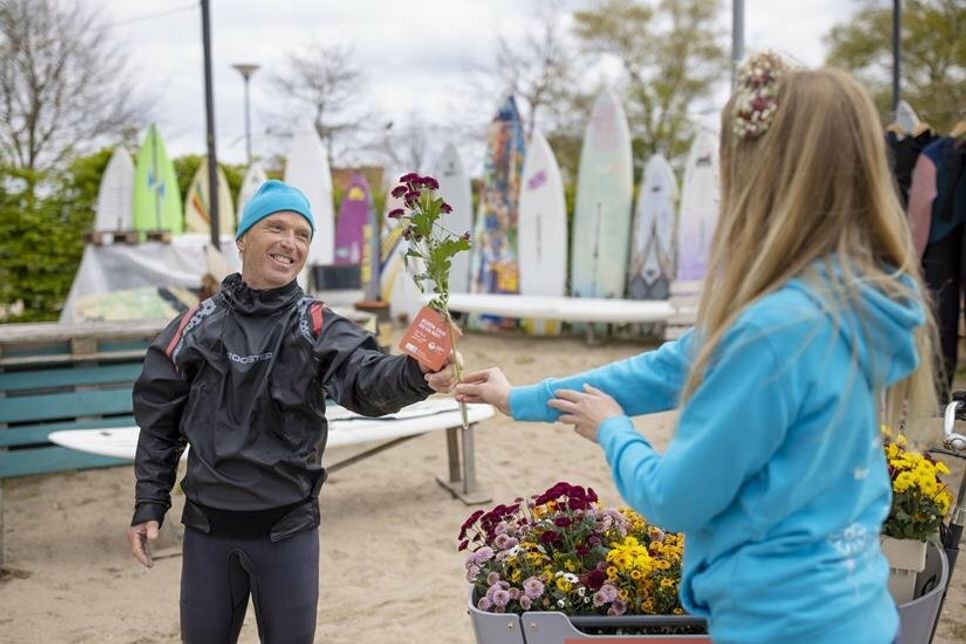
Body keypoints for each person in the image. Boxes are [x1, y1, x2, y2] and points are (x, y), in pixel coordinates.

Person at [456, 53, 937, 644]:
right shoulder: (849, 300)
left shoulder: (769, 331)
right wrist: (520, 398)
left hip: (781, 627)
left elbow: (676, 498)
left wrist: (614, 431)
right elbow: (662, 369)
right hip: (859, 611)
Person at [127, 179, 457, 643]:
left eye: (302, 234)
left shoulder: (315, 323)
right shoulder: (194, 326)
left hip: (287, 532)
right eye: (276, 227)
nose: (290, 242)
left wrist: (416, 374)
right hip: (207, 530)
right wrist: (149, 503)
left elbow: (365, 379)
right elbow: (159, 424)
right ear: (242, 239)